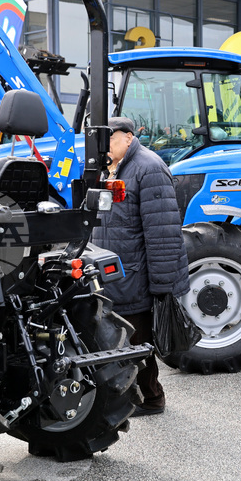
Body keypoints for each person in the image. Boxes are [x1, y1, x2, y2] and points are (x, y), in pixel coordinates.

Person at [91, 116, 190, 417]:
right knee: (120, 341)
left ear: (128, 137)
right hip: (111, 275)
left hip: (135, 276)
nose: (104, 145)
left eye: (109, 138)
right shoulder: (108, 168)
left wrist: (162, 287)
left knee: (138, 342)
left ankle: (151, 398)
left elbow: (162, 234)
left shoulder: (149, 168)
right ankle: (132, 395)